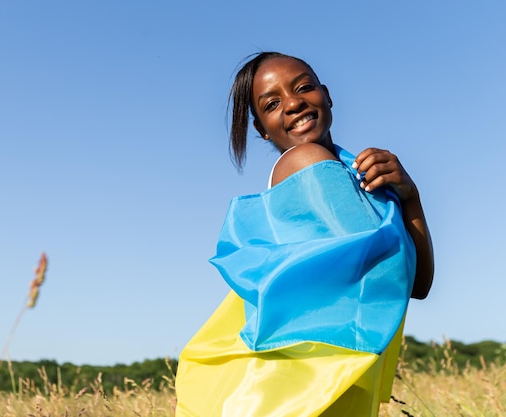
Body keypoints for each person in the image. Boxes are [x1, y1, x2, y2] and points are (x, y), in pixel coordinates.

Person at [175, 52, 434, 417]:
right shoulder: (308, 162)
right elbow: (396, 274)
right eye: (273, 103)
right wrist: (404, 203)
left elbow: (415, 285)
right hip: (297, 386)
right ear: (261, 128)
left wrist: (410, 195)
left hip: (316, 376)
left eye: (304, 87)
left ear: (327, 95)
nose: (294, 103)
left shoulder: (352, 173)